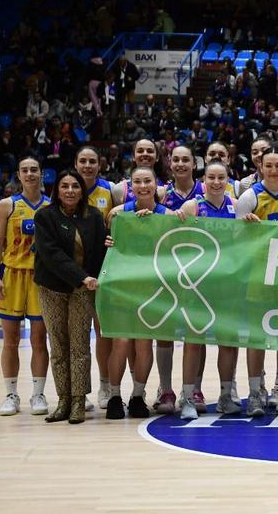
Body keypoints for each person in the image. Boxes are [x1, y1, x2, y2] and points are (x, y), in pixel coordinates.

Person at [33, 170, 107, 425]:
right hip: (51, 288)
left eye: (75, 186)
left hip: (82, 290)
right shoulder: (44, 216)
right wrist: (80, 276)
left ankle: (78, 400)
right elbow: (51, 254)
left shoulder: (94, 217)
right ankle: (63, 399)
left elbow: (99, 253)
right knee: (58, 346)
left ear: (82, 190)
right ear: (56, 190)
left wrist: (92, 278)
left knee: (79, 346)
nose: (70, 191)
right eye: (64, 186)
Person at [234, 149, 278, 416]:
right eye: (268, 165)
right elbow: (236, 239)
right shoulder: (249, 196)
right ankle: (255, 393)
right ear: (260, 166)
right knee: (256, 338)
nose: (273, 170)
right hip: (258, 276)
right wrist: (249, 227)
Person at [174, 161, 239, 420]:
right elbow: (170, 234)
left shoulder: (236, 206)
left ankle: (225, 396)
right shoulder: (192, 207)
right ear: (203, 181)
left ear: (227, 180)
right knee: (193, 341)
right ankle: (187, 396)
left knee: (228, 342)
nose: (215, 182)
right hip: (197, 283)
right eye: (211, 177)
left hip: (227, 283)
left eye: (220, 177)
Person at [0, 157, 51, 416]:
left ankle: (38, 394)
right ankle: (11, 394)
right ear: (18, 174)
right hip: (12, 275)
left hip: (42, 278)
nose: (29, 174)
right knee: (10, 339)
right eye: (24, 170)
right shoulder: (7, 205)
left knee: (39, 339)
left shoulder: (52, 205)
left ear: (42, 173)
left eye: (34, 170)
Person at [104, 167, 166, 419]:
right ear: (130, 185)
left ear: (155, 184)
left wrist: (151, 225)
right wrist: (109, 240)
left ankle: (138, 395)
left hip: (151, 288)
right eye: (137, 181)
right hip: (122, 286)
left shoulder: (168, 215)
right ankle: (114, 396)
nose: (142, 186)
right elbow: (109, 246)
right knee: (120, 342)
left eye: (147, 181)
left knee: (143, 344)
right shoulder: (117, 214)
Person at [153, 144, 205, 413]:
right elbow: (143, 213)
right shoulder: (161, 193)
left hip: (201, 271)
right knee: (165, 333)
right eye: (177, 160)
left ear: (194, 164)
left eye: (186, 159)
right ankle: (166, 389)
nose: (182, 164)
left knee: (198, 334)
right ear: (170, 163)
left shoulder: (207, 192)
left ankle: (194, 389)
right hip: (169, 269)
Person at [75, 145, 115, 408]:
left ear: (99, 165)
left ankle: (104, 386)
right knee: (77, 334)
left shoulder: (110, 191)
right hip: (74, 272)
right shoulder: (67, 188)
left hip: (104, 270)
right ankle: (79, 390)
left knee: (103, 333)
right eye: (83, 161)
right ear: (76, 164)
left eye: (92, 161)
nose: (87, 166)